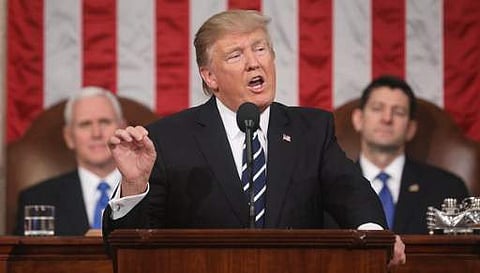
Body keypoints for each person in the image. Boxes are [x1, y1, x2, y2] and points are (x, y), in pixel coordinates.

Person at [103, 10, 405, 266]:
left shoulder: (311, 129)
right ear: (210, 77)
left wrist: (375, 238)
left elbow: (351, 193)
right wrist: (133, 186)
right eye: (236, 55)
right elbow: (126, 252)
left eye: (260, 49)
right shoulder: (169, 139)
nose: (254, 62)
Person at [325, 75, 469, 234]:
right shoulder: (330, 188)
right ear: (358, 119)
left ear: (410, 128)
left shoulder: (448, 188)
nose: (387, 119)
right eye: (377, 109)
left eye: (398, 112)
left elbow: (464, 254)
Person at [14, 86, 126, 236]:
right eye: (85, 124)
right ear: (69, 137)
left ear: (122, 128)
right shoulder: (37, 199)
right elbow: (26, 259)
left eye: (104, 122)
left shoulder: (154, 193)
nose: (96, 133)